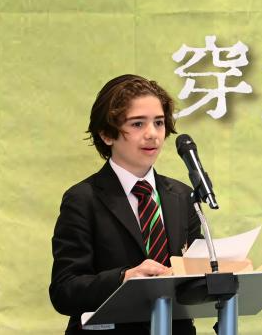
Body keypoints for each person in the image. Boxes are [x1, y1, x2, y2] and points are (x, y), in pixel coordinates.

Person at [50, 74, 202, 334]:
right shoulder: (83, 199)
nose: (152, 134)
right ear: (107, 134)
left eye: (159, 122)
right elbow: (64, 290)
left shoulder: (183, 196)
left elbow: (194, 275)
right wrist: (123, 279)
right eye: (138, 124)